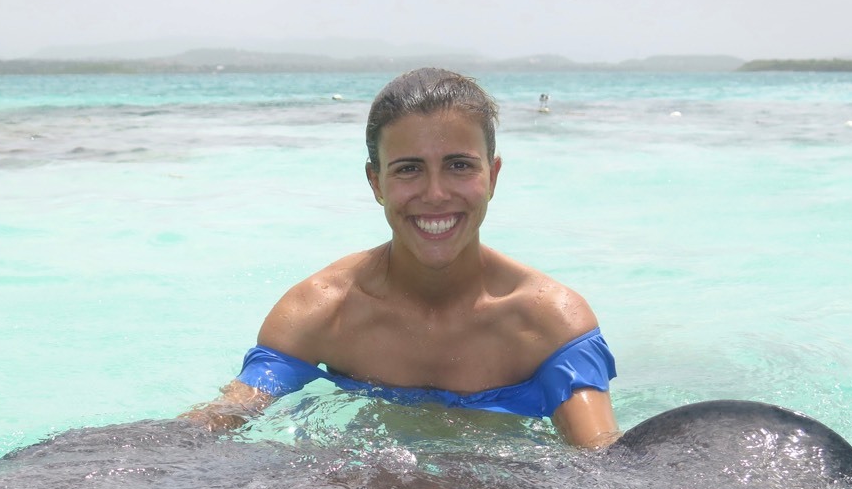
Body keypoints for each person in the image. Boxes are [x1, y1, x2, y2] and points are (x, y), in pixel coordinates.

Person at [186, 68, 619, 448]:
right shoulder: (321, 310)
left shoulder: (550, 321)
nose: (435, 194)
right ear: (376, 182)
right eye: (409, 169)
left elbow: (603, 461)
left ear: (493, 176)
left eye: (460, 166)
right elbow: (227, 416)